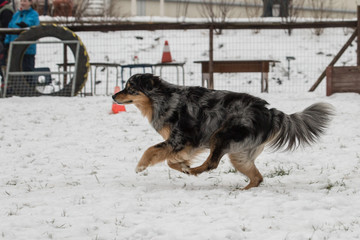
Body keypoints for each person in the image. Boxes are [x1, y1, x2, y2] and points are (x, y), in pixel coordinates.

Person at [5, 0, 39, 84]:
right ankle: (15, 90)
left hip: (27, 49)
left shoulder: (33, 14)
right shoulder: (16, 14)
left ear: (30, 3)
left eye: (25, 1)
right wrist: (7, 42)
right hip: (15, 48)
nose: (22, 3)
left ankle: (29, 89)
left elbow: (32, 23)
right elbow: (9, 28)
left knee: (27, 70)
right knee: (14, 70)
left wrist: (26, 25)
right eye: (21, 1)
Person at [0, 0, 14, 85]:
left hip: (3, 44)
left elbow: (6, 29)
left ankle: (7, 86)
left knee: (3, 65)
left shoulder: (6, 11)